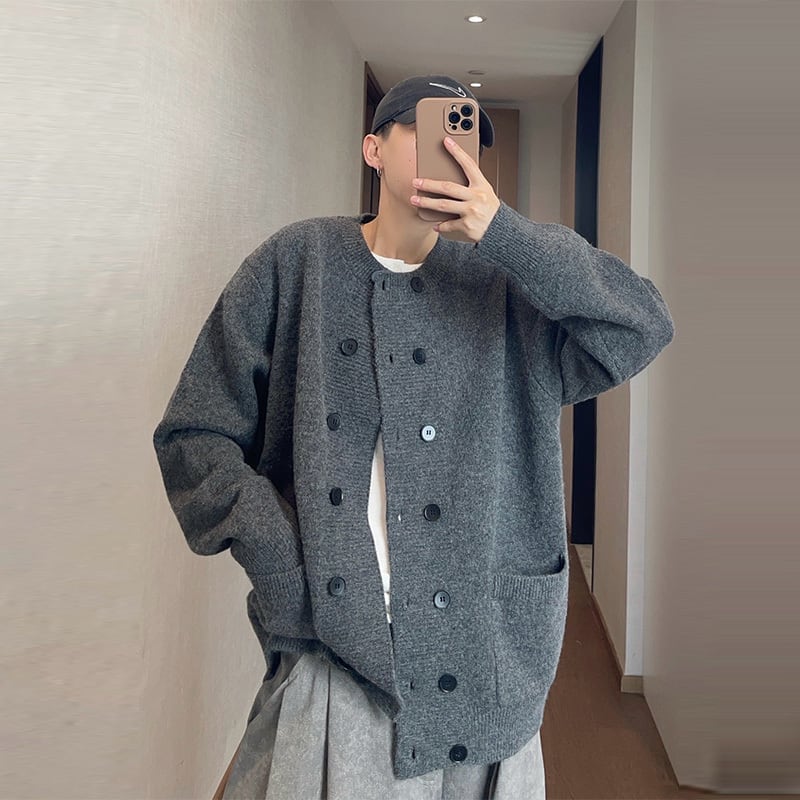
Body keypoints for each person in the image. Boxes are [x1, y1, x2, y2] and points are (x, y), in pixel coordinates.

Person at [153, 75, 675, 799]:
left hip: (486, 657)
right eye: (431, 130)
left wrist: (506, 233)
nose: (453, 149)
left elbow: (641, 325)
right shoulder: (297, 262)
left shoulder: (508, 282)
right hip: (333, 644)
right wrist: (280, 556)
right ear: (373, 149)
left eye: (468, 137)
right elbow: (195, 434)